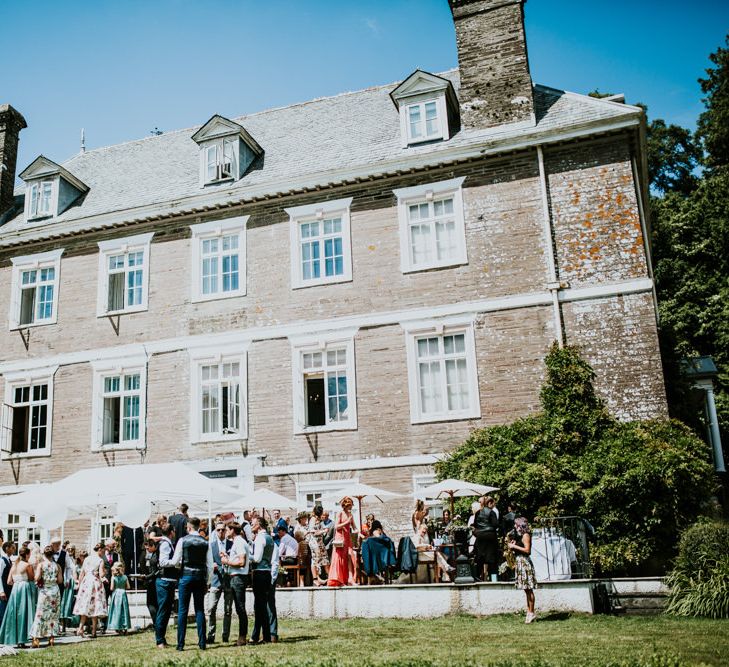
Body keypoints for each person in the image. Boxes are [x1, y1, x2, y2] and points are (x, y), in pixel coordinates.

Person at [169, 516, 213, 651]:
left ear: (188, 527)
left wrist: (176, 564)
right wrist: (208, 581)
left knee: (183, 610)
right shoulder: (206, 542)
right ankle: (202, 643)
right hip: (200, 577)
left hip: (186, 576)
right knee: (200, 609)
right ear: (199, 527)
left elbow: (175, 561)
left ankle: (180, 644)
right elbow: (210, 565)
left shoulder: (183, 540)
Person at [220, 522, 250, 646]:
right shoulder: (238, 542)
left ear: (232, 530)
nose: (226, 532)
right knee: (239, 608)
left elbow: (242, 562)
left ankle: (242, 637)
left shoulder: (239, 542)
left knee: (240, 608)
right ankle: (241, 636)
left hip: (238, 578)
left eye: (227, 529)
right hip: (235, 577)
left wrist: (226, 561)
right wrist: (228, 558)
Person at [0, 545, 35, 646]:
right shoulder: (27, 565)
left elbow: (8, 581)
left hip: (15, 589)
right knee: (23, 613)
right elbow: (32, 578)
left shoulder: (14, 565)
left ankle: (13, 638)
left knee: (14, 613)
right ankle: (21, 639)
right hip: (24, 588)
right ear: (27, 554)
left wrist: (16, 582)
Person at [205, 522, 233, 645]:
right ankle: (211, 635)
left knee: (227, 610)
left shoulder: (232, 545)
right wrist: (212, 565)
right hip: (216, 580)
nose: (221, 532)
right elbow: (207, 563)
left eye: (223, 530)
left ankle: (225, 636)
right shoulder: (211, 546)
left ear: (226, 531)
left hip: (228, 580)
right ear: (215, 531)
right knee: (211, 609)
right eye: (218, 530)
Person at [73, 542, 108, 638]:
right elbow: (101, 575)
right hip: (94, 583)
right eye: (104, 551)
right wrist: (105, 573)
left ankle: (80, 628)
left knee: (85, 605)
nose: (104, 553)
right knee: (94, 606)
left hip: (85, 582)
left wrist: (79, 585)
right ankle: (93, 632)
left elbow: (82, 573)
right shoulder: (100, 560)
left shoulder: (87, 559)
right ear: (100, 550)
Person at [250, 516, 274, 644]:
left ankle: (266, 636)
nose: (251, 525)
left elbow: (257, 558)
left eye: (252, 523)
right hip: (267, 572)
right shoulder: (270, 538)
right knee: (261, 605)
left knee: (260, 606)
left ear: (259, 525)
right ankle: (257, 635)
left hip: (259, 573)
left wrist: (246, 554)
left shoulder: (260, 538)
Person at [509, 517, 537, 623]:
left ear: (521, 525)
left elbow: (527, 550)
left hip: (524, 562)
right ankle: (529, 612)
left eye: (516, 525)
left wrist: (514, 547)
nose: (515, 527)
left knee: (529, 589)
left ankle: (531, 612)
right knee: (526, 589)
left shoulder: (526, 535)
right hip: (520, 562)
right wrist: (514, 545)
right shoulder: (520, 536)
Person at [154, 523, 178, 648]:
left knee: (167, 611)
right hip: (164, 581)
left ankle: (162, 638)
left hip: (168, 580)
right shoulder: (165, 544)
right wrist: (176, 562)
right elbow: (163, 562)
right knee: (163, 611)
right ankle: (159, 640)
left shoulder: (165, 542)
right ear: (172, 532)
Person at [327, 496, 357, 587]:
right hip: (340, 538)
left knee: (349, 558)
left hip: (348, 538)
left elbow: (354, 527)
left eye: (352, 505)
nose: (351, 507)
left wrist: (358, 532)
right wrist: (346, 522)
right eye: (350, 505)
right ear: (346, 505)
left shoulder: (350, 514)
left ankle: (350, 579)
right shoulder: (339, 513)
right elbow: (336, 526)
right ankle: (338, 580)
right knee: (340, 558)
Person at [473, 496, 499, 581]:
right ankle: (494, 580)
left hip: (480, 538)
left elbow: (475, 525)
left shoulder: (477, 513)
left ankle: (477, 578)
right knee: (492, 561)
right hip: (490, 539)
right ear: (489, 503)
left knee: (480, 559)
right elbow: (495, 525)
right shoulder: (492, 513)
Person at [307, 505, 330, 585]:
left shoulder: (319, 519)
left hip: (320, 542)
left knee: (325, 558)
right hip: (314, 542)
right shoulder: (313, 519)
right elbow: (313, 532)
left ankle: (330, 577)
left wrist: (324, 530)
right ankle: (315, 579)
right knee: (315, 560)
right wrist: (323, 531)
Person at [106, 562, 131, 634]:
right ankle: (125, 627)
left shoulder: (113, 577)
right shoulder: (125, 577)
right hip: (123, 593)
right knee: (124, 610)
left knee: (116, 611)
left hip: (116, 594)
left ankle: (117, 626)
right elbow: (128, 587)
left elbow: (111, 588)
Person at [60, 544, 79, 632]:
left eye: (72, 549)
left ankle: (69, 624)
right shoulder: (64, 558)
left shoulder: (75, 560)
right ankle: (62, 625)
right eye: (68, 549)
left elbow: (75, 571)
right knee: (64, 602)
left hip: (72, 582)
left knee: (70, 603)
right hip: (65, 581)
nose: (70, 550)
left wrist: (76, 581)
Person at [142, 540, 160, 629]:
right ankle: (156, 623)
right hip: (152, 581)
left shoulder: (156, 555)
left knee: (151, 603)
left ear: (153, 546)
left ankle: (156, 623)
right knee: (152, 603)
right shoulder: (154, 554)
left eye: (148, 547)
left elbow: (155, 571)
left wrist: (145, 577)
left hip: (153, 582)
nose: (147, 549)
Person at [0, 542, 15, 627]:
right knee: (2, 612)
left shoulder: (9, 560)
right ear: (7, 548)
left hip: (8, 590)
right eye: (12, 548)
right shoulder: (2, 560)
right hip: (4, 590)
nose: (14, 549)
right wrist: (1, 591)